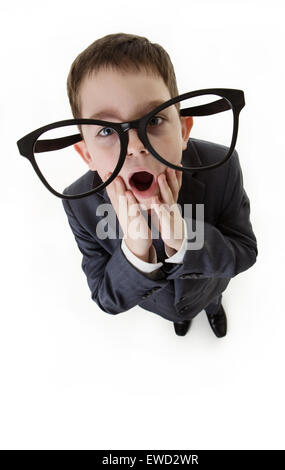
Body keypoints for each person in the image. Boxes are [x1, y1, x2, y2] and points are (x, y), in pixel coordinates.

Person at [61, 32, 258, 338]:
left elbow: (244, 250)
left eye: (153, 121)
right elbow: (105, 296)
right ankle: (180, 320)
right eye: (105, 131)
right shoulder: (79, 203)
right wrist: (136, 249)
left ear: (182, 130)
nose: (135, 146)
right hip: (156, 303)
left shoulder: (221, 166)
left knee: (212, 300)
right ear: (87, 154)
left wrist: (183, 238)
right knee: (176, 315)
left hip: (208, 287)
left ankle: (214, 309)